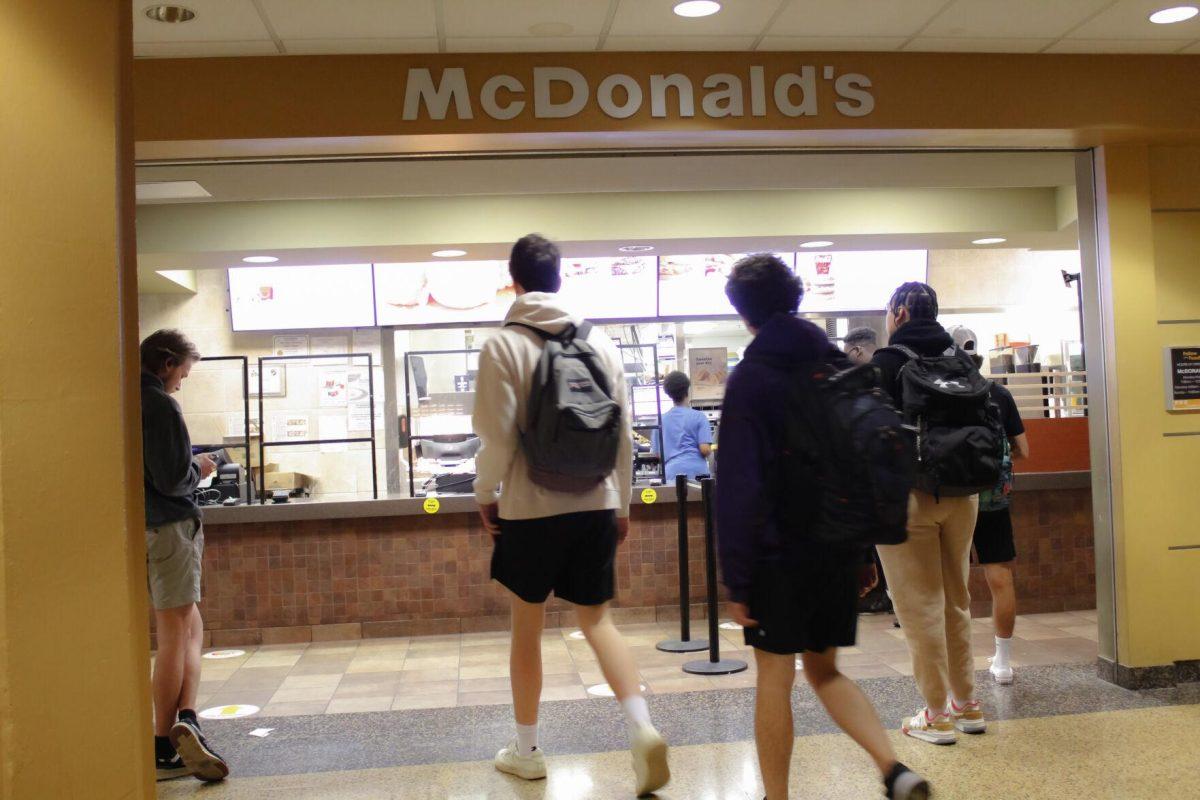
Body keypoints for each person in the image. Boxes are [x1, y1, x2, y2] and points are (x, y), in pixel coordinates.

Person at [716, 254, 930, 800]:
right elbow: (856, 464)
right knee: (826, 671)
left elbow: (740, 486)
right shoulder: (835, 366)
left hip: (776, 554)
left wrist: (737, 580)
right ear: (795, 298)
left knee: (775, 677)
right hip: (836, 545)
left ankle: (777, 797)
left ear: (743, 313)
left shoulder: (753, 377)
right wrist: (860, 553)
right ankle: (892, 768)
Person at [473, 234, 669, 796]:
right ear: (561, 278)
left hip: (529, 508)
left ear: (514, 280)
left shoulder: (503, 345)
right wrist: (622, 503)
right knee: (597, 621)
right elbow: (625, 434)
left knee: (527, 625)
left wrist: (486, 494)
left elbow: (496, 437)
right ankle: (641, 727)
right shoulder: (600, 343)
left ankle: (528, 750)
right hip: (596, 502)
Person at [870, 283, 988, 745]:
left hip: (909, 498)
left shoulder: (886, 363)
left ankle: (936, 713)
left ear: (898, 313)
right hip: (964, 494)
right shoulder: (962, 359)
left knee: (919, 606)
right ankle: (967, 703)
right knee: (956, 599)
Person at [140, 329, 229, 782]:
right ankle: (162, 742)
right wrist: (202, 466)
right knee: (176, 632)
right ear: (167, 362)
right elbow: (175, 478)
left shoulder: (124, 397)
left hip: (147, 525)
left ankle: (187, 718)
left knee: (189, 625)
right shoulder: (157, 403)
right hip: (171, 526)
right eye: (183, 373)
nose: (182, 382)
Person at [948, 326, 1031, 685]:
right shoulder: (999, 394)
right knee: (999, 576)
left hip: (953, 497)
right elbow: (1024, 450)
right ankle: (1003, 663)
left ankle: (955, 664)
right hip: (993, 498)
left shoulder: (941, 393)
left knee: (951, 582)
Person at [654, 370, 713, 482]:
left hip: (672, 475)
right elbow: (705, 449)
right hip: (698, 475)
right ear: (688, 390)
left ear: (668, 393)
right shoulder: (699, 417)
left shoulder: (660, 420)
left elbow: (658, 454)